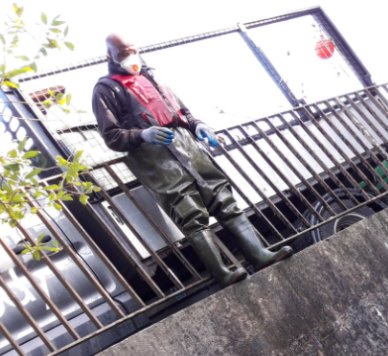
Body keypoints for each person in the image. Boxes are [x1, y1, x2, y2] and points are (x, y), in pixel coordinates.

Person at [92, 34, 292, 286]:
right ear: (109, 56)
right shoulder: (107, 89)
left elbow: (182, 111)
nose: (130, 57)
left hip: (187, 145)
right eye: (122, 53)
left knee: (223, 198)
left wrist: (198, 126)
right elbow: (111, 135)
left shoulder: (152, 76)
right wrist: (143, 134)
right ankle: (223, 272)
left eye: (132, 50)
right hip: (153, 156)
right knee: (189, 212)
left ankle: (259, 254)